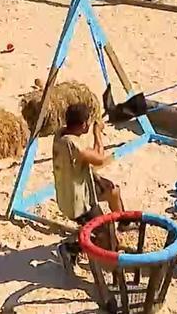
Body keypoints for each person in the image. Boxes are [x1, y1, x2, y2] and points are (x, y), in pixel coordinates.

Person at [52, 103, 129, 273]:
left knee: (113, 191)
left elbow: (81, 163)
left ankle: (124, 223)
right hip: (78, 203)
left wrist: (97, 179)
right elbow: (99, 159)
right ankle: (71, 248)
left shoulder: (61, 134)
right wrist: (97, 133)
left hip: (78, 187)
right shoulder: (73, 144)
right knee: (106, 232)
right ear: (83, 125)